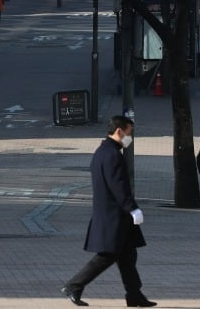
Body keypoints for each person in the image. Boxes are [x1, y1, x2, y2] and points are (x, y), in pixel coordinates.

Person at [61, 116, 156, 308]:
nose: (130, 136)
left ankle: (134, 294)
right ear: (119, 131)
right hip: (115, 216)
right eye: (129, 132)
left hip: (112, 215)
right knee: (107, 256)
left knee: (128, 256)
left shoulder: (102, 152)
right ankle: (74, 285)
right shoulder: (112, 155)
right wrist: (133, 209)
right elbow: (118, 186)